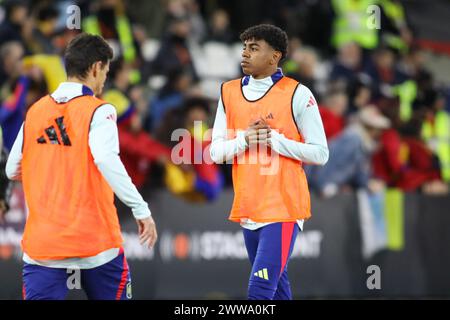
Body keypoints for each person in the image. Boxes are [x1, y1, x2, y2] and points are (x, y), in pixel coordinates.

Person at [5, 33, 157, 300]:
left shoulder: (36, 111)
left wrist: (50, 166)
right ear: (96, 67)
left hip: (44, 246)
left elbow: (11, 170)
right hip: (95, 244)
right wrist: (140, 208)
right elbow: (106, 159)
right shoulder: (99, 110)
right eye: (106, 71)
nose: (105, 79)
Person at [210, 24, 329, 300]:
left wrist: (273, 140)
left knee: (260, 291)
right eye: (244, 47)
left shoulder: (298, 94)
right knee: (277, 291)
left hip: (283, 207)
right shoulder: (227, 91)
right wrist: (247, 139)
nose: (245, 54)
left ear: (275, 56)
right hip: (249, 206)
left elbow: (320, 153)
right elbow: (216, 153)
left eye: (254, 48)